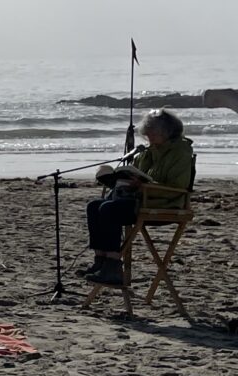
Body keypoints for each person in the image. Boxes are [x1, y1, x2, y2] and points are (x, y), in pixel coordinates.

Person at [84, 109, 196, 286]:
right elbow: (134, 173)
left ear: (166, 132)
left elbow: (178, 187)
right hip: (139, 198)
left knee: (109, 210)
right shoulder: (147, 151)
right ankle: (101, 261)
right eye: (147, 132)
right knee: (93, 206)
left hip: (166, 203)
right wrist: (119, 180)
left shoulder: (180, 152)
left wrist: (143, 186)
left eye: (152, 132)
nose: (147, 136)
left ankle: (113, 266)